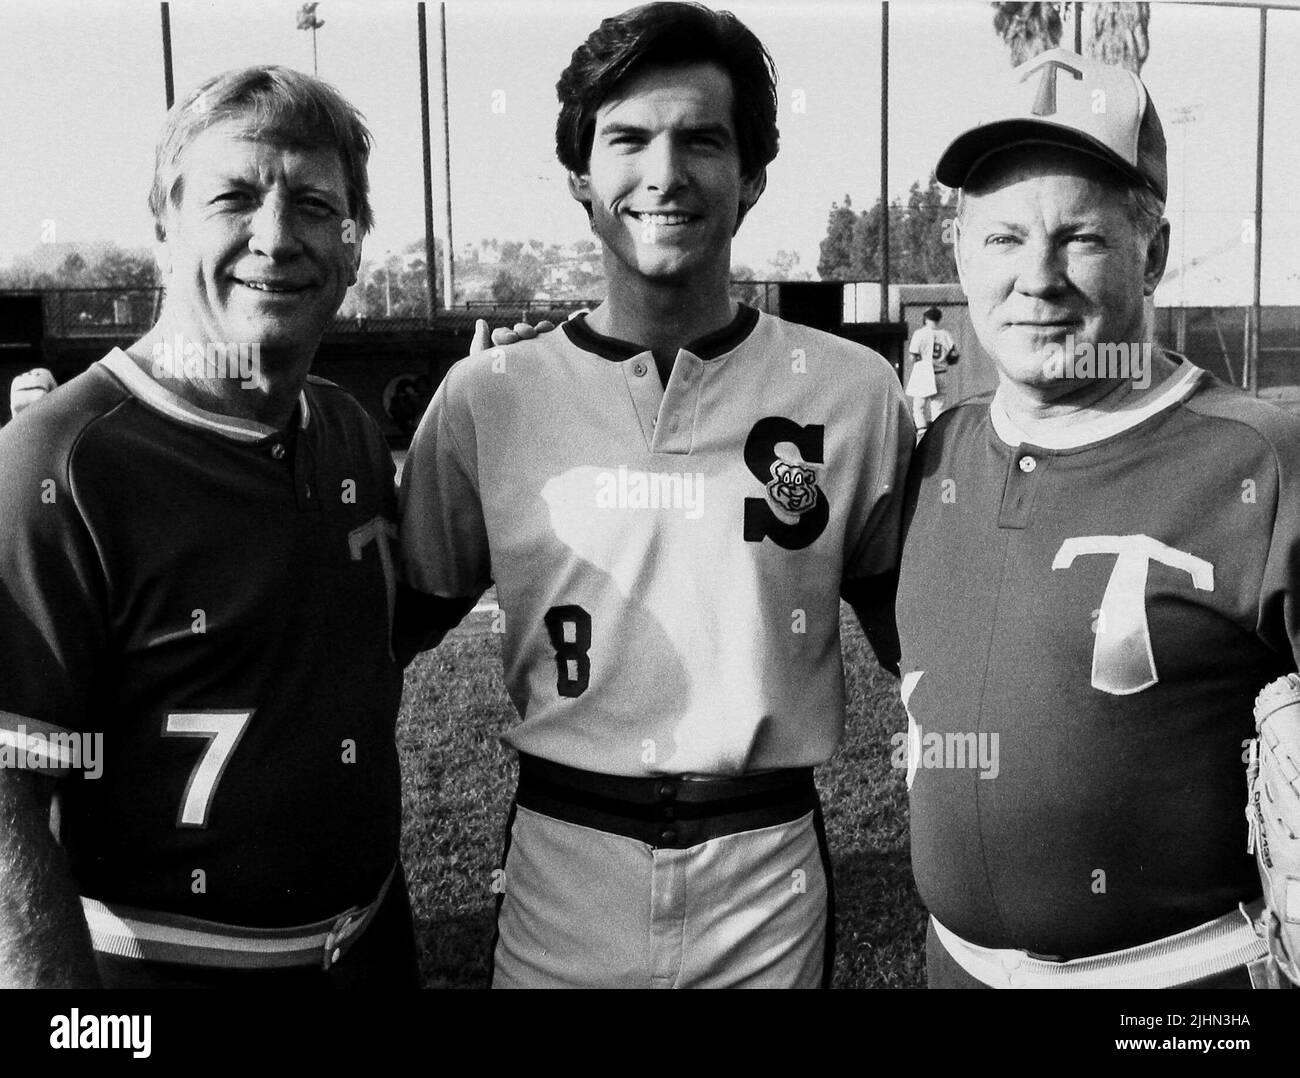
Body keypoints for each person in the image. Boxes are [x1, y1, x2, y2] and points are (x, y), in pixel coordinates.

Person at [398, 1, 912, 988]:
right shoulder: (487, 399)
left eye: (702, 141)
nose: (664, 173)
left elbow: (925, 646)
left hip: (766, 871)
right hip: (563, 856)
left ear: (752, 175)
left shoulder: (851, 391)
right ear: (580, 179)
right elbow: (373, 636)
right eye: (627, 140)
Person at [0, 66, 417, 988]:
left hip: (374, 941)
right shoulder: (59, 460)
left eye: (315, 204)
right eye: (236, 198)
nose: (276, 236)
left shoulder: (342, 427)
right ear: (164, 226)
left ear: (353, 245)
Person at [896, 48, 1287, 988]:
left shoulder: (1262, 458)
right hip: (953, 971)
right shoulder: (936, 453)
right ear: (958, 255)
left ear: (1149, 253)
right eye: (1001, 239)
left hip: (1182, 996)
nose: (1038, 277)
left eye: (1080, 237)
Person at [904, 307, 958, 433]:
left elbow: (912, 357)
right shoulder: (945, 334)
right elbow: (954, 355)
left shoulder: (920, 333)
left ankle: (922, 433)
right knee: (938, 407)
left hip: (924, 372)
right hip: (941, 372)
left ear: (926, 318)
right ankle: (937, 434)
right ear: (939, 319)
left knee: (919, 406)